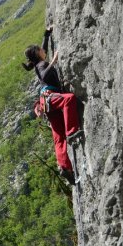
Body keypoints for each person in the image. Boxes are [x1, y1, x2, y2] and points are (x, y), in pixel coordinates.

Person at [22, 27, 83, 185]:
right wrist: (54, 62)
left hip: (47, 103)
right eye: (40, 50)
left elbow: (44, 50)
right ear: (37, 54)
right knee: (68, 99)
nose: (44, 50)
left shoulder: (39, 62)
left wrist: (46, 35)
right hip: (50, 97)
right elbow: (44, 75)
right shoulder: (41, 66)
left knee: (58, 138)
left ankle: (64, 166)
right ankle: (72, 131)